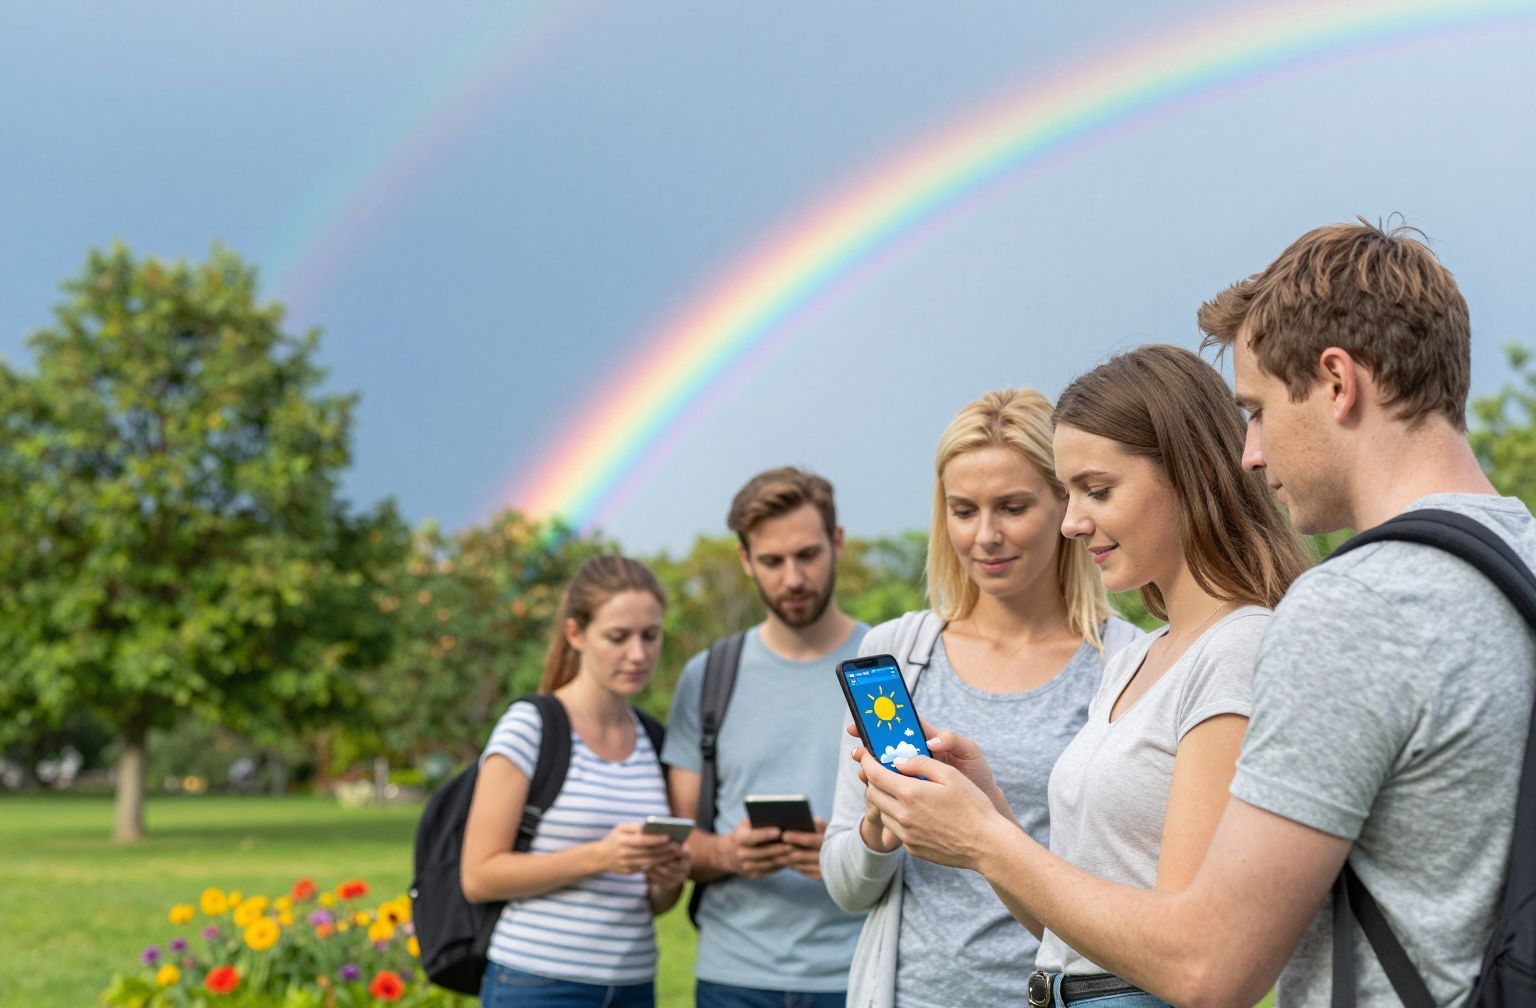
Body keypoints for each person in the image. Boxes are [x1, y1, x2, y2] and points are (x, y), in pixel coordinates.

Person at [859, 221, 1536, 1008]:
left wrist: (982, 839)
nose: (1249, 452)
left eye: (1256, 409)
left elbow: (1209, 969)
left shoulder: (1350, 608)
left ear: (1338, 381)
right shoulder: (1516, 558)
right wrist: (992, 827)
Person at [821, 387, 1142, 1008]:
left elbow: (1128, 895)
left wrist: (988, 831)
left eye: (1013, 507)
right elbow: (844, 887)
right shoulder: (898, 654)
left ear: (1063, 505)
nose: (986, 535)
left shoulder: (1127, 663)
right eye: (963, 510)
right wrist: (879, 827)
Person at [663, 467, 869, 1008]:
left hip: (858, 971)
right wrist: (730, 852)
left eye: (807, 555)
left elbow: (933, 829)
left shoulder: (885, 669)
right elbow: (678, 840)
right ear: (745, 560)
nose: (793, 578)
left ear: (837, 543)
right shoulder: (707, 677)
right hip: (733, 977)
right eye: (773, 562)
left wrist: (845, 854)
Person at [461, 555, 691, 1008]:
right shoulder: (531, 726)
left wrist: (667, 878)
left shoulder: (654, 738)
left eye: (651, 635)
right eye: (618, 637)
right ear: (575, 634)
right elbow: (479, 875)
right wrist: (601, 855)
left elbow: (656, 902)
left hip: (633, 984)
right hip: (537, 983)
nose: (639, 654)